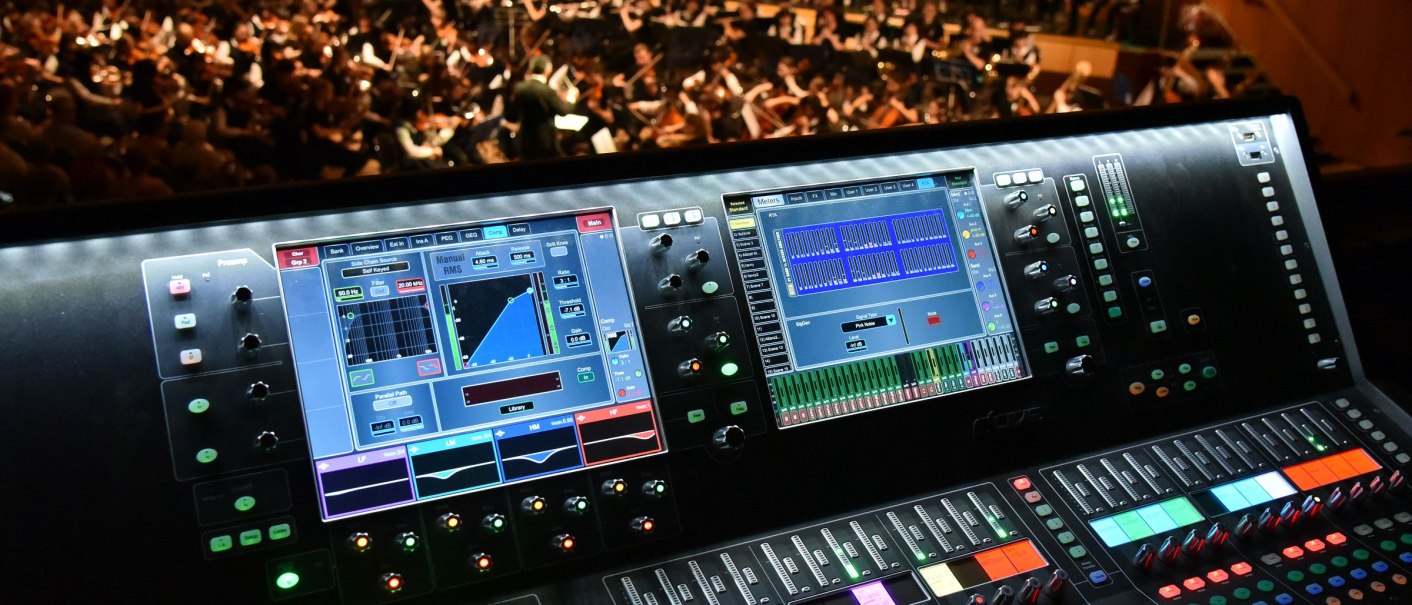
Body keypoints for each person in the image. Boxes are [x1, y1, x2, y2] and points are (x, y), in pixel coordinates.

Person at [505, 55, 579, 160]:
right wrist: (571, 98)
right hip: (545, 141)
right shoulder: (547, 91)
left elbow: (512, 112)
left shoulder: (519, 88)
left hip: (525, 139)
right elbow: (563, 111)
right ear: (547, 70)